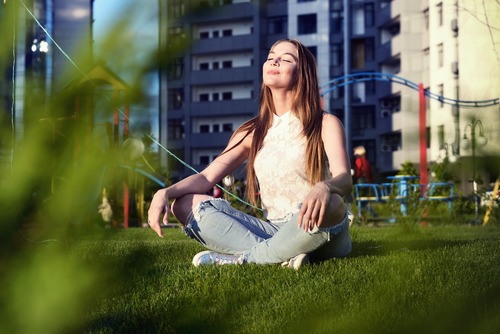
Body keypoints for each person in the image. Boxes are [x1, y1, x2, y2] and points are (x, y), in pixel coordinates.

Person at [147, 39, 352, 269]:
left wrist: (325, 187)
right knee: (184, 204)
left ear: (302, 73)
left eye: (285, 59)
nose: (274, 60)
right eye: (271, 56)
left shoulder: (325, 123)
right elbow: (206, 178)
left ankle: (247, 260)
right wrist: (165, 192)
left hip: (316, 225)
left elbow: (344, 179)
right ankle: (283, 255)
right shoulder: (251, 132)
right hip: (273, 229)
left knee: (333, 203)